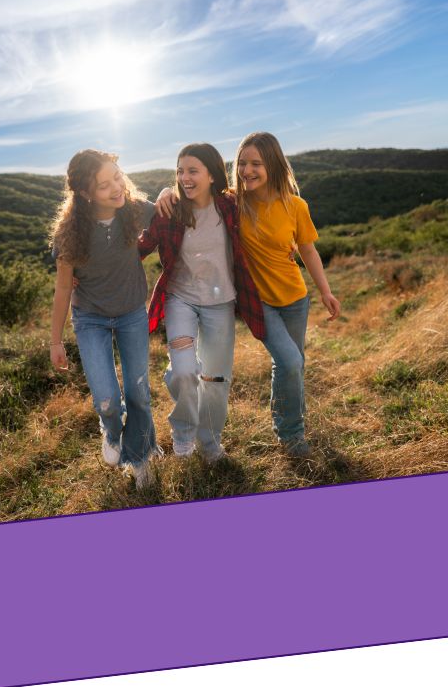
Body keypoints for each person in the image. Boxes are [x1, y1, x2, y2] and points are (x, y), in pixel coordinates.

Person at [154, 132, 340, 459]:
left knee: (292, 364)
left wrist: (325, 291)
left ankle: (290, 423)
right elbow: (192, 191)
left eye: (256, 163)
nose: (247, 170)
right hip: (259, 302)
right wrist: (167, 190)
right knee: (290, 361)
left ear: (273, 165)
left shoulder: (295, 205)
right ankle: (291, 434)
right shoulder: (233, 203)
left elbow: (308, 250)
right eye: (242, 163)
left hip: (296, 299)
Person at [135, 144, 266, 463]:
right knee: (183, 372)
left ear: (211, 174)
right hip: (180, 300)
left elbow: (266, 203)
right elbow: (138, 250)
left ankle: (209, 443)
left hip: (221, 303)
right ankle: (183, 431)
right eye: (179, 171)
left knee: (216, 379)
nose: (184, 177)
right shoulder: (169, 211)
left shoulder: (230, 205)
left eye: (193, 171)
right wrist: (84, 270)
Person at [48, 150, 161, 488]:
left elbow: (172, 209)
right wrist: (55, 341)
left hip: (131, 314)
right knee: (108, 400)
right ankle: (112, 432)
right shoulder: (70, 233)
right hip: (91, 319)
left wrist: (169, 193)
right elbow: (63, 289)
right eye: (103, 185)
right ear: (85, 194)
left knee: (139, 394)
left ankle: (140, 460)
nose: (115, 188)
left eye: (117, 177)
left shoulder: (135, 209)